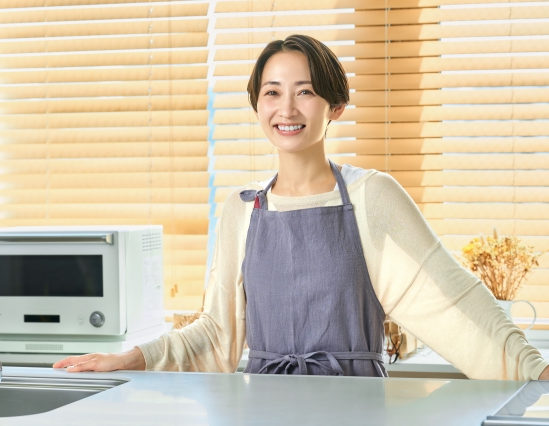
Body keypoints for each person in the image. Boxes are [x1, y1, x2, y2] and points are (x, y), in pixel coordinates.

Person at [54, 34, 549, 380]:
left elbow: (452, 301)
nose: (286, 110)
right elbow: (217, 333)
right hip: (265, 408)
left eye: (305, 93)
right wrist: (132, 357)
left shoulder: (370, 195)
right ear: (257, 106)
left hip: (354, 408)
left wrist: (535, 368)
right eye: (272, 93)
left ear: (335, 107)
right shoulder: (241, 209)